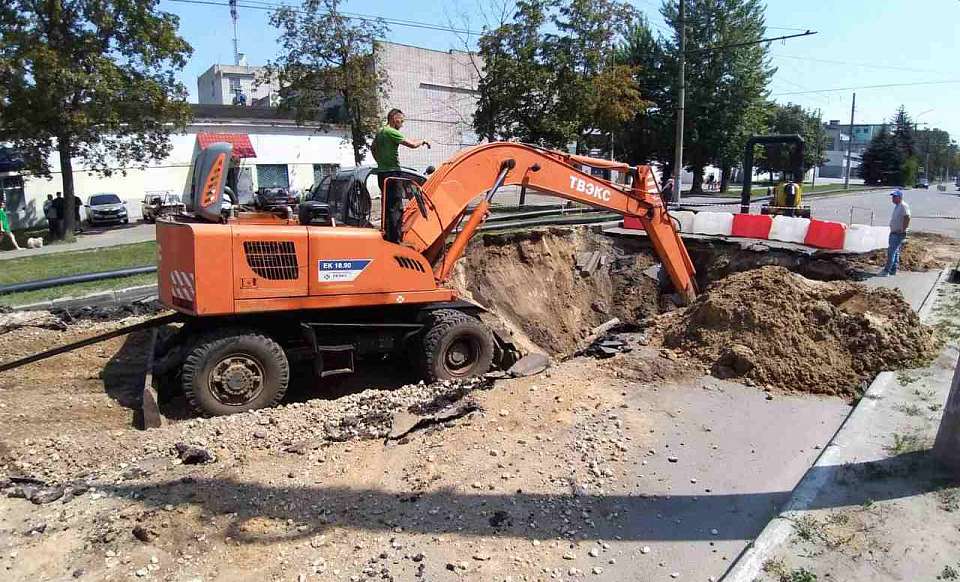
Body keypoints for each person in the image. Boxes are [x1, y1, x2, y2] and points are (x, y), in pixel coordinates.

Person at [371, 108, 430, 243]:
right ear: (394, 118)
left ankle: (387, 236)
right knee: (396, 207)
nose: (402, 124)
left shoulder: (380, 132)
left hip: (382, 174)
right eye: (401, 121)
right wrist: (423, 141)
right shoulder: (391, 132)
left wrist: (380, 162)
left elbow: (372, 148)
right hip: (393, 173)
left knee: (387, 206)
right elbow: (412, 145)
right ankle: (395, 240)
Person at [880, 189, 911, 276]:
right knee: (895, 251)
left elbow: (907, 217)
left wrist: (903, 229)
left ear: (900, 197)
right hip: (894, 232)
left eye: (894, 197)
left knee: (891, 252)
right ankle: (893, 270)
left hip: (898, 233)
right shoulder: (898, 206)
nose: (892, 198)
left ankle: (886, 271)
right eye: (892, 197)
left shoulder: (903, 206)